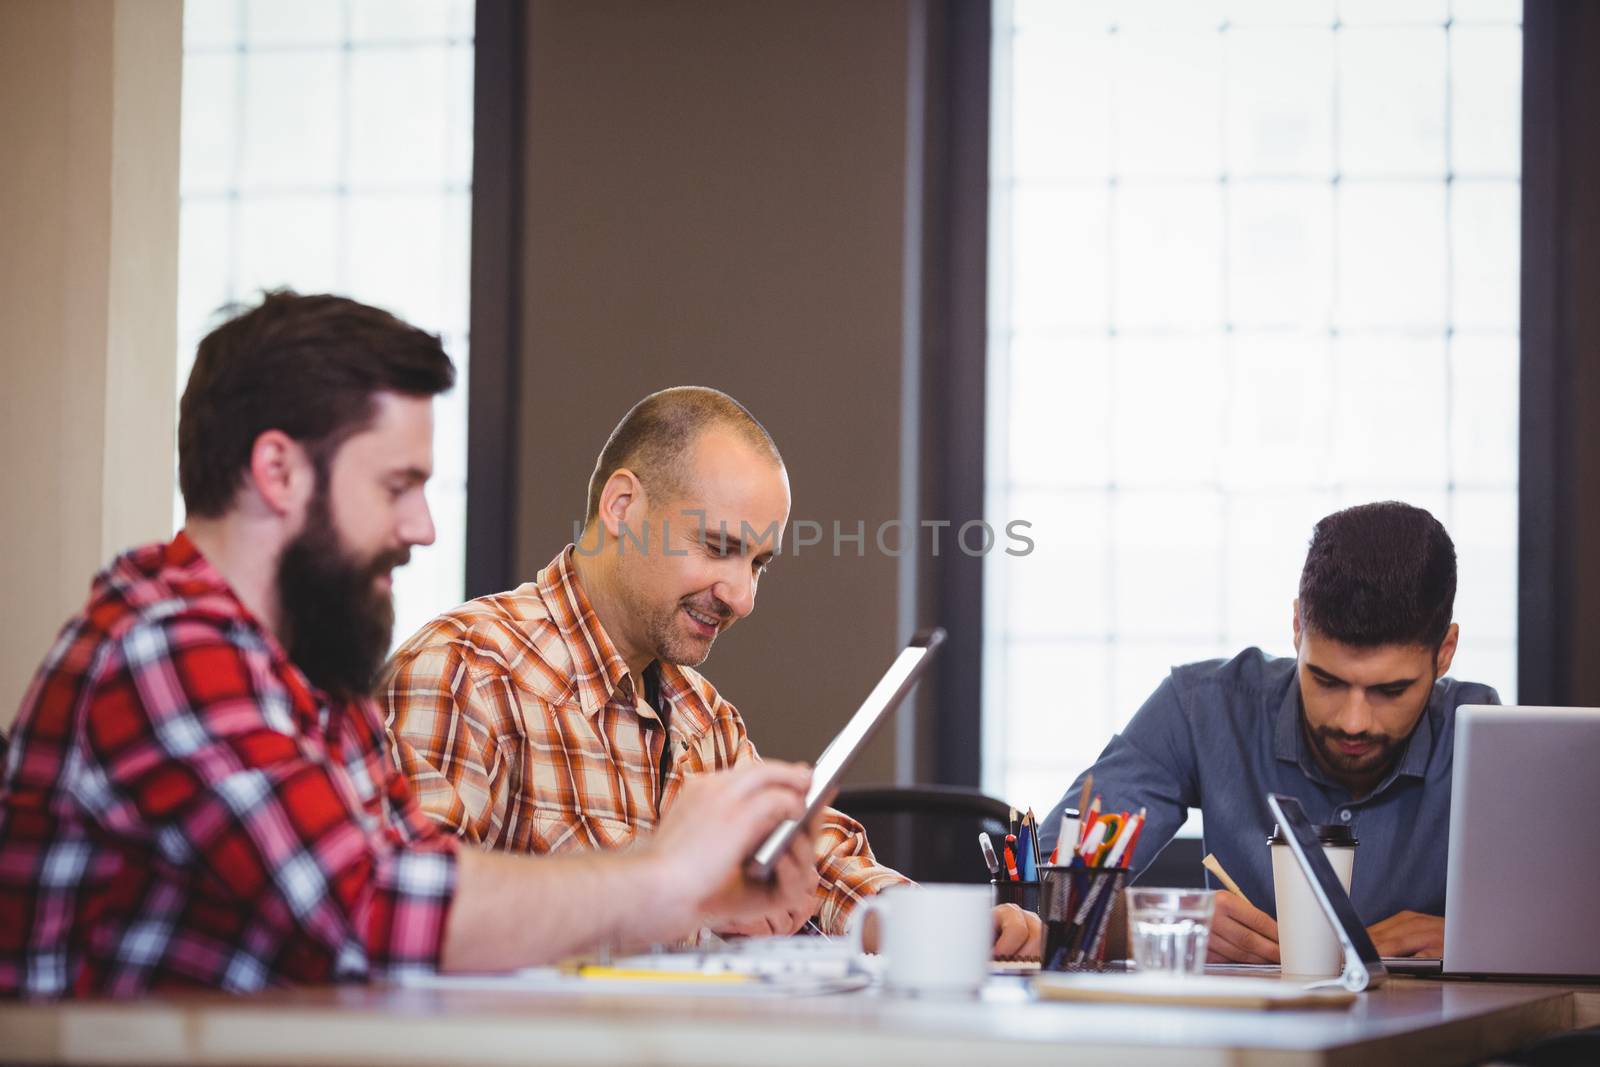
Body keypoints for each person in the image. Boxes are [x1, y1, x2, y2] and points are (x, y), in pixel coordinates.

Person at [0, 294, 817, 997]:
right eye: (398, 486)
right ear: (278, 472)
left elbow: (424, 862)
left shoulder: (309, 670)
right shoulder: (165, 650)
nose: (423, 528)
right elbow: (373, 912)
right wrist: (665, 876)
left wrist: (688, 893)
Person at [381, 387, 1040, 956]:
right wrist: (700, 923)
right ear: (621, 507)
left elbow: (821, 869)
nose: (742, 597)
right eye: (719, 547)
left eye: (758, 563)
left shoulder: (701, 713)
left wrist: (946, 930)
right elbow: (416, 931)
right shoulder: (466, 671)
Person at [1040, 501, 1498, 964]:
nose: (1353, 721)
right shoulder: (1202, 707)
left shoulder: (1486, 738)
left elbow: (1567, 920)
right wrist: (1163, 922)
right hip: (1248, 1032)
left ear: (1445, 652)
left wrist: (1482, 938)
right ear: (1298, 627)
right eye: (1326, 681)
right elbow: (1038, 890)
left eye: (1391, 690)